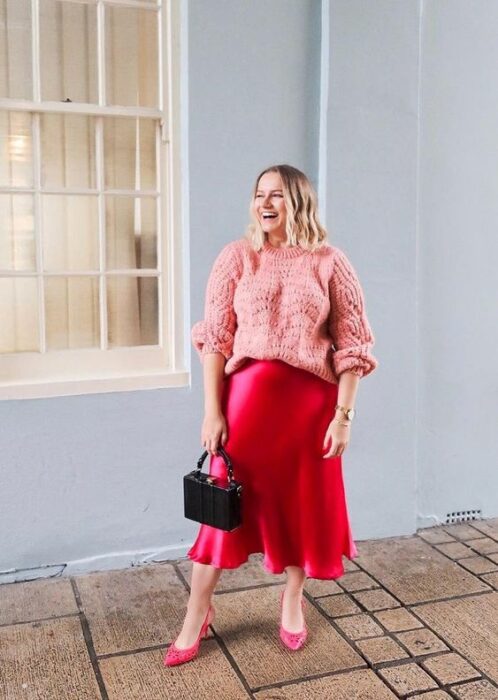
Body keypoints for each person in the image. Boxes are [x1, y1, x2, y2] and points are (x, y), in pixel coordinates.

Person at [164, 164, 378, 667]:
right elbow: (215, 339)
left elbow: (355, 345)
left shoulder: (330, 262)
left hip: (308, 413)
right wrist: (212, 411)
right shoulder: (237, 258)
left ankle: (292, 599)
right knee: (221, 514)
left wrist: (343, 415)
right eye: (259, 194)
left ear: (298, 202)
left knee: (301, 507)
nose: (265, 203)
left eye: (277, 195)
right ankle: (198, 610)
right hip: (247, 408)